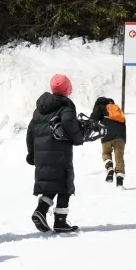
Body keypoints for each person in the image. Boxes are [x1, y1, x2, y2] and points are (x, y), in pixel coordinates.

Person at [25, 74, 84, 234]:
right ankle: (60, 222)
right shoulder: (66, 105)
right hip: (60, 151)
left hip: (41, 154)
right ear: (67, 90)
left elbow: (30, 131)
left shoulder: (39, 109)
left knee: (52, 183)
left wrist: (32, 153)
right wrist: (78, 138)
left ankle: (41, 211)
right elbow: (68, 123)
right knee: (65, 184)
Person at [90, 96, 127, 187]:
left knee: (106, 152)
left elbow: (93, 120)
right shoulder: (116, 108)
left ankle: (109, 167)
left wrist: (94, 129)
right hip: (121, 135)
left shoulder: (100, 106)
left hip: (107, 133)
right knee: (119, 157)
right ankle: (119, 183)